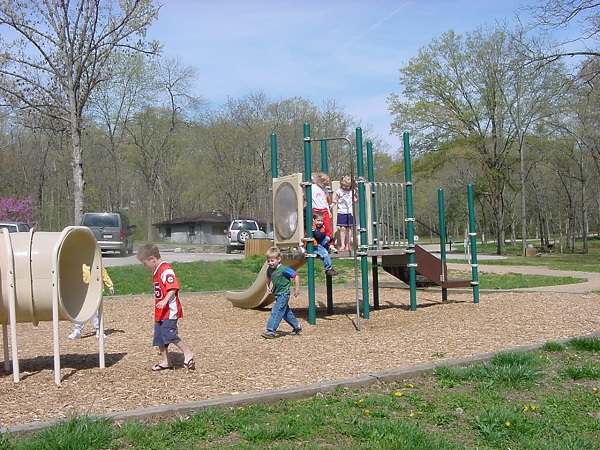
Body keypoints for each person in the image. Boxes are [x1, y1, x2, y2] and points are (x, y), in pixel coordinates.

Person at [137, 243, 195, 371]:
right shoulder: (157, 271)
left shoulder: (165, 269)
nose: (145, 266)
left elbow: (173, 286)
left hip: (169, 310)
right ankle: (166, 361)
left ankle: (187, 353)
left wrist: (164, 300)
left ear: (152, 258)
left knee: (170, 334)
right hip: (160, 312)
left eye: (145, 263)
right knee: (159, 338)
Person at [261, 246, 302, 339]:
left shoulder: (284, 269)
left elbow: (295, 276)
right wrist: (267, 286)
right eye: (268, 261)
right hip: (277, 294)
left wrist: (297, 288)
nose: (270, 263)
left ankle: (271, 330)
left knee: (276, 311)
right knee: (286, 313)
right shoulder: (270, 270)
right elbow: (268, 277)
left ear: (279, 259)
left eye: (272, 260)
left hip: (284, 294)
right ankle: (297, 327)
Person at [68, 264, 113, 339]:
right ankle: (77, 330)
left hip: (96, 290)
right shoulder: (81, 264)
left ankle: (99, 330)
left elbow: (104, 274)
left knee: (96, 311)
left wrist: (110, 285)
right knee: (82, 311)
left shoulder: (97, 263)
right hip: (84, 291)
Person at [311, 171, 337, 253]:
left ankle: (330, 244)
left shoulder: (325, 190)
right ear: (319, 181)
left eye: (326, 184)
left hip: (324, 210)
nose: (324, 185)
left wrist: (329, 211)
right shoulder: (313, 187)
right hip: (316, 210)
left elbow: (326, 202)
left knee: (328, 228)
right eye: (323, 183)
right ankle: (314, 244)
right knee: (315, 228)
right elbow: (310, 178)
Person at [332, 175, 357, 251]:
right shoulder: (339, 191)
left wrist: (355, 198)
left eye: (348, 186)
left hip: (349, 212)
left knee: (349, 229)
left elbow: (355, 200)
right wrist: (332, 205)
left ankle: (348, 244)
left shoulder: (352, 191)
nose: (346, 188)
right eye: (344, 186)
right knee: (342, 228)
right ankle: (342, 245)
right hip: (341, 212)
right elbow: (335, 200)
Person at [312, 210, 338, 276]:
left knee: (327, 238)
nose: (320, 222)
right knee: (325, 254)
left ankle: (326, 248)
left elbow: (320, 236)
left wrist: (314, 231)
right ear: (314, 220)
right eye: (318, 220)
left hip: (318, 243)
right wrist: (314, 231)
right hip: (313, 246)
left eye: (321, 221)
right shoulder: (312, 226)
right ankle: (328, 268)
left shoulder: (322, 228)